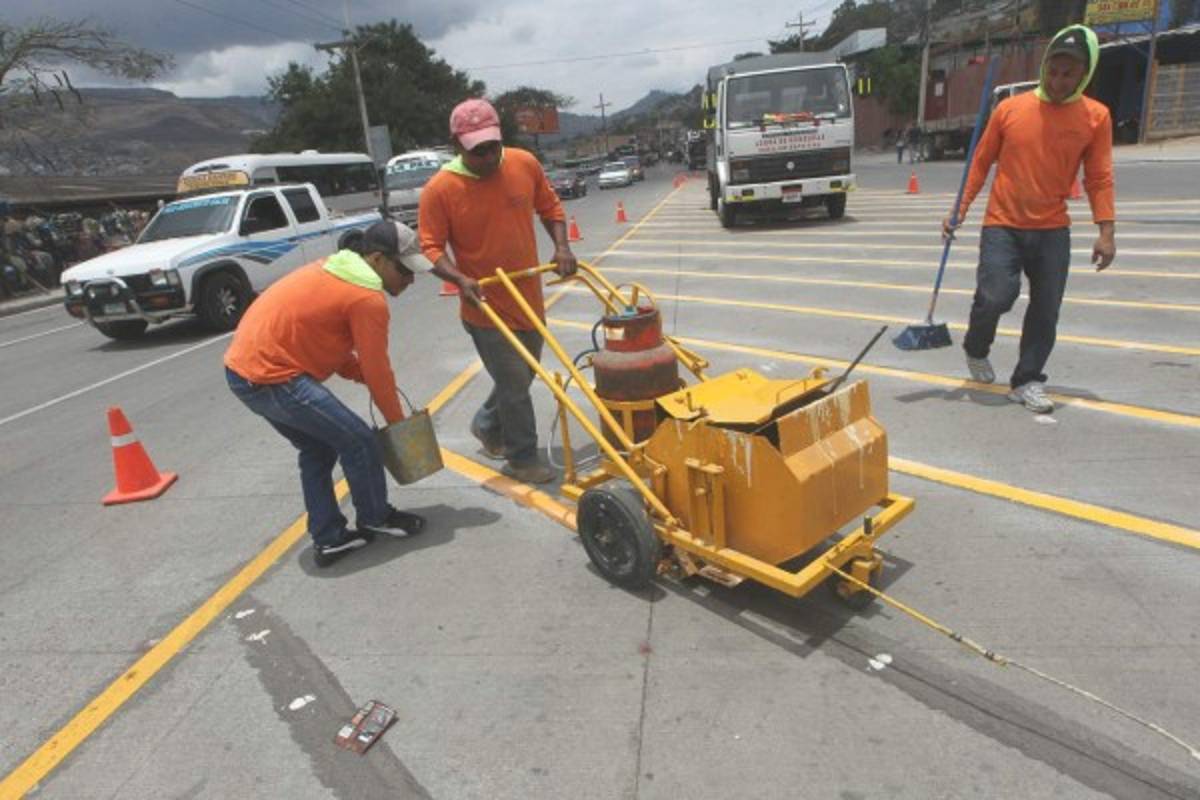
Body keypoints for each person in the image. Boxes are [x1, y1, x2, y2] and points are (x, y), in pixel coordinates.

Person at [224, 220, 433, 567]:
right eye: (404, 270)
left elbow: (330, 345)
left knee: (317, 448)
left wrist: (362, 374)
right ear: (377, 259)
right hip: (274, 376)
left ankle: (329, 537)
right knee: (360, 441)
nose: (410, 280)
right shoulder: (366, 298)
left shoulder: (334, 270)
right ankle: (376, 517)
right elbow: (378, 370)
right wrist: (399, 425)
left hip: (241, 373)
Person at [944, 24, 1115, 413]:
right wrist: (960, 209)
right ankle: (976, 345)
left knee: (1046, 309)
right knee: (995, 296)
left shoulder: (1096, 117)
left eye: (1068, 74)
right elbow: (980, 162)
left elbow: (1100, 177)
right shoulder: (1009, 110)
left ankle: (1027, 380)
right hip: (1002, 224)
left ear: (1084, 75)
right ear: (1044, 67)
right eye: (1053, 71)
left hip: (1052, 229)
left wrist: (1106, 231)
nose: (1057, 81)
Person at [418, 98, 578, 484]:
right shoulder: (440, 190)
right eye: (478, 151)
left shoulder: (523, 163)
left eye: (493, 147)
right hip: (485, 306)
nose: (489, 157)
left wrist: (562, 247)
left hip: (528, 297)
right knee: (514, 384)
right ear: (457, 145)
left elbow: (550, 208)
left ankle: (487, 424)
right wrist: (459, 278)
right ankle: (522, 458)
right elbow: (430, 247)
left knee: (523, 375)